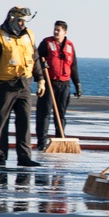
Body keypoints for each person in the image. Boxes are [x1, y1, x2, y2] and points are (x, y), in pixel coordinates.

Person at [0, 6, 44, 167]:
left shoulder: (29, 35)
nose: (23, 24)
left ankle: (24, 157)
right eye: (20, 21)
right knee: (2, 122)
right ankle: (0, 156)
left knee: (24, 122)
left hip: (24, 85)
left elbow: (35, 57)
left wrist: (41, 79)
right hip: (6, 85)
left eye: (25, 21)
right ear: (12, 20)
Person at [36, 20, 81, 150]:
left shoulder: (70, 46)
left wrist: (77, 84)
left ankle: (60, 138)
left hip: (64, 84)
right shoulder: (46, 43)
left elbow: (73, 66)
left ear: (65, 32)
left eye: (58, 30)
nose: (56, 32)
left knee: (60, 113)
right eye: (55, 29)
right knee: (44, 113)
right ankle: (42, 142)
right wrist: (41, 65)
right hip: (49, 83)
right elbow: (36, 58)